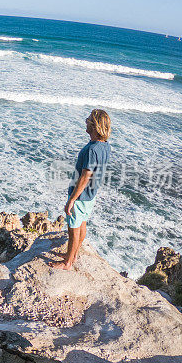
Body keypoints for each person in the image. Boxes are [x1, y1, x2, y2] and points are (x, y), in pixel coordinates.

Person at [51, 109, 111, 270]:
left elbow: (85, 176)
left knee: (73, 228)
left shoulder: (92, 149)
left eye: (89, 119)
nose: (86, 120)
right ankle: (73, 255)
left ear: (94, 125)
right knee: (82, 223)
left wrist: (72, 199)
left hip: (81, 195)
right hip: (91, 195)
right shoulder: (105, 146)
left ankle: (67, 263)